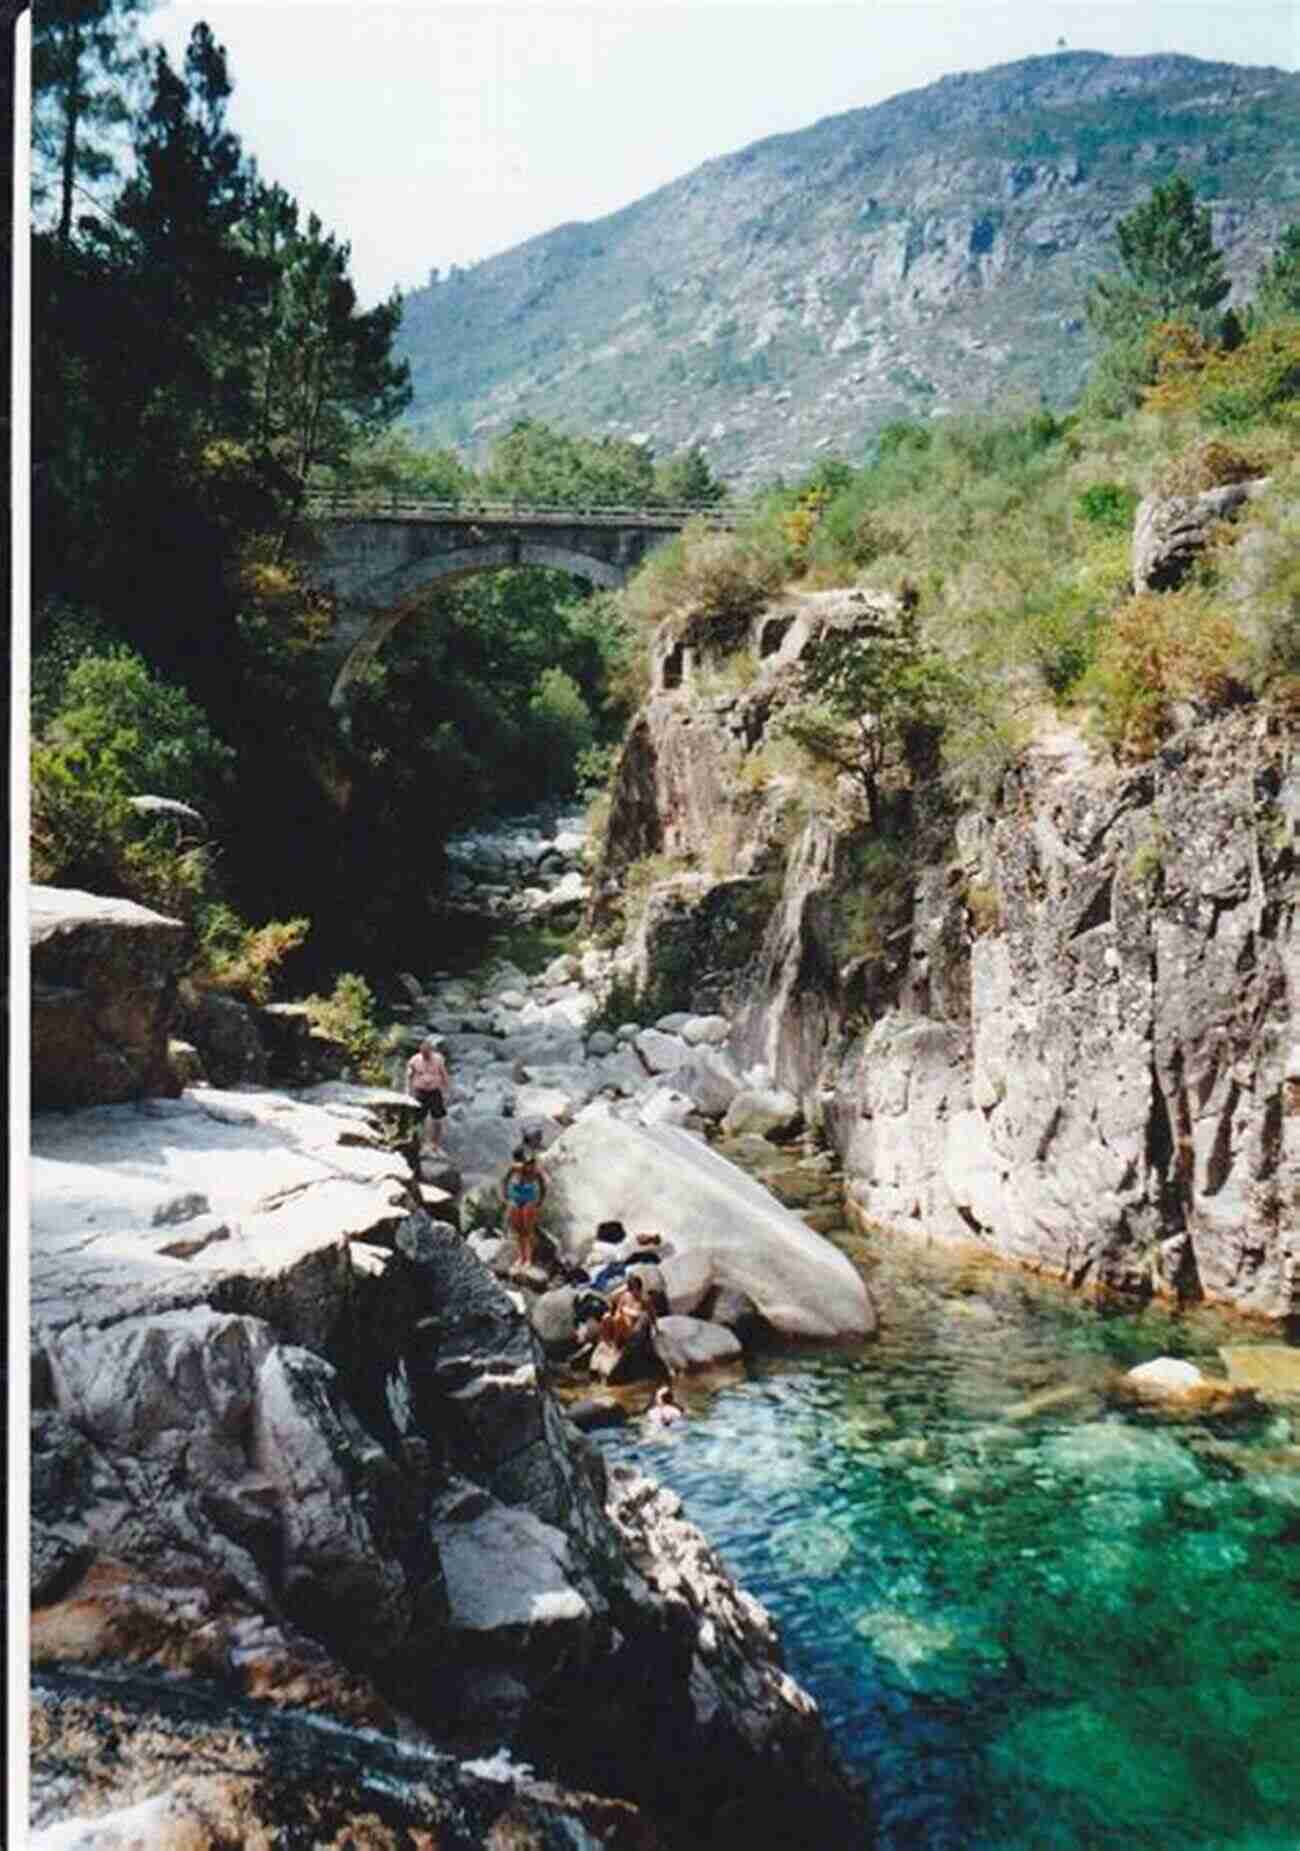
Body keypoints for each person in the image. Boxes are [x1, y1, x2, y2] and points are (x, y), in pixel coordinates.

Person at [502, 1145, 547, 1269]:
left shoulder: (536, 1172)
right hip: (516, 1200)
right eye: (528, 1164)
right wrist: (505, 1195)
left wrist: (540, 1202)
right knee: (519, 1230)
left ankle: (528, 1259)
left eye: (531, 1164)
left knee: (528, 1231)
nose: (530, 1167)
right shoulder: (515, 1168)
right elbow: (505, 1180)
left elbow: (543, 1186)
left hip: (529, 1201)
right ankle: (521, 1257)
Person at [406, 1037, 451, 1152]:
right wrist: (408, 1092)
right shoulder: (414, 1060)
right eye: (423, 1053)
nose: (426, 1055)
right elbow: (409, 1076)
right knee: (417, 1119)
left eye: (428, 1053)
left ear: (431, 1051)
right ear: (420, 1052)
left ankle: (435, 1144)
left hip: (434, 1092)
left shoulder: (438, 1059)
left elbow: (444, 1074)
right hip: (420, 1091)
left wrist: (446, 1091)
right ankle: (418, 1142)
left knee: (437, 1119)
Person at [598, 1271, 657, 1350]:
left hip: (637, 1327)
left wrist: (656, 1329)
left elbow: (651, 1314)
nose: (635, 1292)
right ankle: (615, 1345)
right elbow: (617, 1310)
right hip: (625, 1324)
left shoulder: (645, 1299)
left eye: (637, 1289)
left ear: (640, 1289)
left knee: (642, 1317)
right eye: (633, 1290)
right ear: (630, 1290)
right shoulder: (624, 1297)